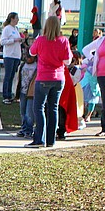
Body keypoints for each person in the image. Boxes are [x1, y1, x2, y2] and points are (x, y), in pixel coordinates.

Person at [26, 15, 72, 148]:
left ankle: (39, 138)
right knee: (53, 108)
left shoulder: (41, 40)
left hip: (43, 77)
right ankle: (51, 140)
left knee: (39, 108)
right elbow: (67, 61)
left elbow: (31, 52)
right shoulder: (64, 41)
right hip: (58, 77)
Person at [0, 12, 23, 104]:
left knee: (12, 76)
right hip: (9, 55)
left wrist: (20, 40)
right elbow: (3, 42)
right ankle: (6, 95)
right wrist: (14, 40)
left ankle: (10, 94)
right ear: (12, 19)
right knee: (8, 75)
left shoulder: (16, 29)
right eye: (16, 18)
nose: (18, 20)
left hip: (16, 55)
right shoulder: (7, 29)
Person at [16, 53, 37, 137]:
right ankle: (24, 128)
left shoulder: (37, 66)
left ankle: (29, 130)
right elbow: (18, 78)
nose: (28, 58)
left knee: (29, 113)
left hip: (32, 92)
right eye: (26, 56)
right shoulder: (22, 65)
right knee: (23, 111)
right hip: (22, 91)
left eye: (30, 56)